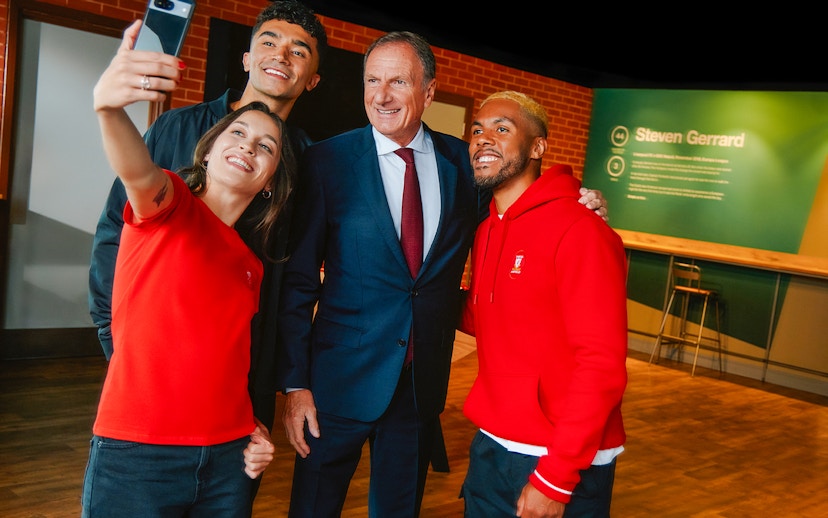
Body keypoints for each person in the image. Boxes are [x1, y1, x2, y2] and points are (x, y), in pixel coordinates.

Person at [276, 31, 609, 517]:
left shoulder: (464, 164)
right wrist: (294, 384)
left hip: (419, 389)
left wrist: (581, 201)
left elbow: (517, 208)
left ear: (428, 93)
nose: (382, 95)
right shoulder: (327, 161)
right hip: (335, 386)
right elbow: (300, 282)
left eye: (398, 82)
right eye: (372, 80)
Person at [87, 0, 328, 438]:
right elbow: (113, 233)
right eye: (269, 42)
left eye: (299, 50)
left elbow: (298, 277)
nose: (281, 55)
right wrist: (113, 333)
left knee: (229, 495)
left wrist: (291, 377)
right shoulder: (175, 128)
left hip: (246, 365)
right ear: (247, 58)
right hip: (150, 361)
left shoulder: (311, 162)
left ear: (311, 80)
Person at [82, 23, 294, 516]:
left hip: (227, 464)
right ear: (211, 147)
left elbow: (226, 364)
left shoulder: (249, 265)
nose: (249, 146)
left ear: (269, 182)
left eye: (266, 147)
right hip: (138, 457)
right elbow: (136, 170)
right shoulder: (170, 204)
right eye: (238, 132)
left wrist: (253, 428)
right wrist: (109, 108)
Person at [458, 91, 628, 518]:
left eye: (502, 129)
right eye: (477, 130)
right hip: (493, 443)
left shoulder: (581, 230)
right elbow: (490, 318)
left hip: (555, 460)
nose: (483, 139)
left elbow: (602, 364)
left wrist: (556, 476)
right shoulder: (487, 230)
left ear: (537, 147)